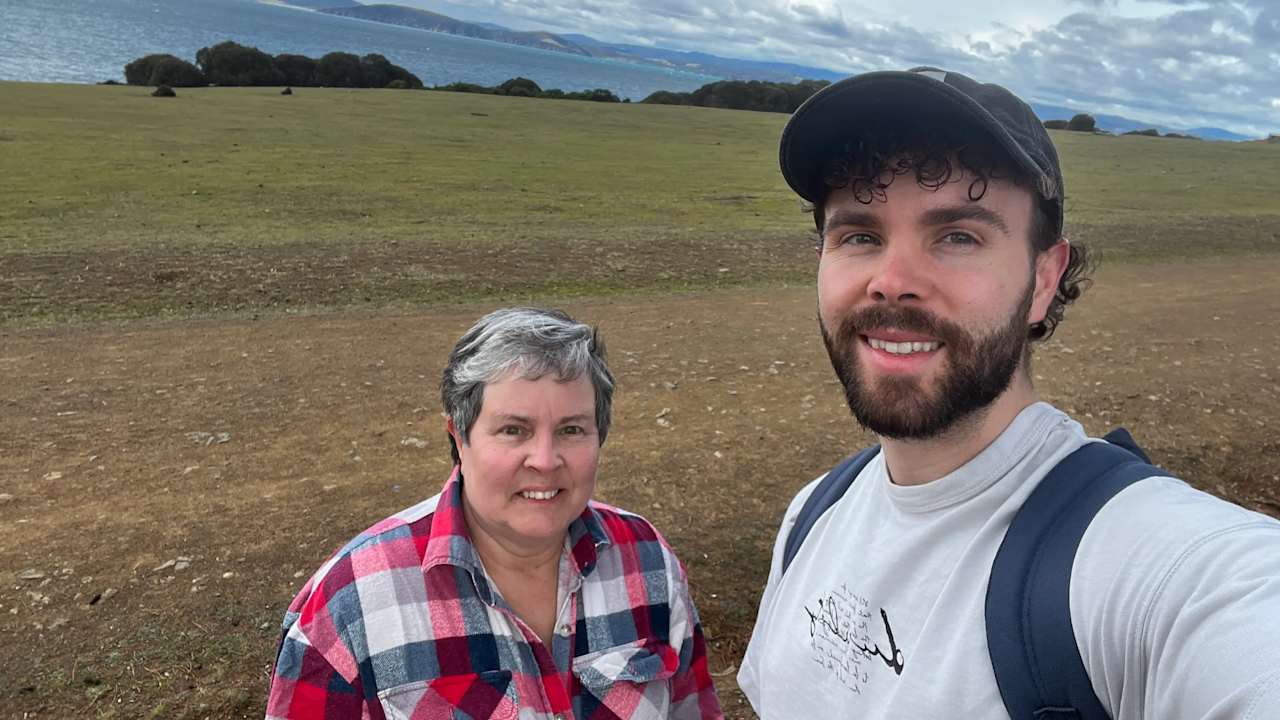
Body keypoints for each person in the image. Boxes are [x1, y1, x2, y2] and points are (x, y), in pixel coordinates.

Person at [738, 67, 1280, 719]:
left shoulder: (1154, 568)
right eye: (860, 236)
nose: (891, 279)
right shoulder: (813, 514)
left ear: (1044, 279)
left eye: (958, 236)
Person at [266, 307, 722, 719]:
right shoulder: (348, 605)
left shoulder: (648, 560)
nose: (545, 460)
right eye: (513, 430)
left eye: (571, 429)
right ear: (459, 436)